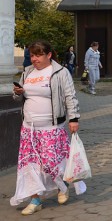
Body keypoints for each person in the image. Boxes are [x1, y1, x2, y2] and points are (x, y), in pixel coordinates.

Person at [10, 40, 81, 216]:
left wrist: (73, 119)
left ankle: (62, 185)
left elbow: (70, 97)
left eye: (38, 55)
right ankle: (35, 199)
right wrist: (17, 93)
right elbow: (18, 98)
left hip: (51, 127)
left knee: (51, 163)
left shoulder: (60, 72)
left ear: (48, 55)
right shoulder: (27, 72)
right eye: (32, 55)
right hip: (29, 128)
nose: (34, 59)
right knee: (30, 165)